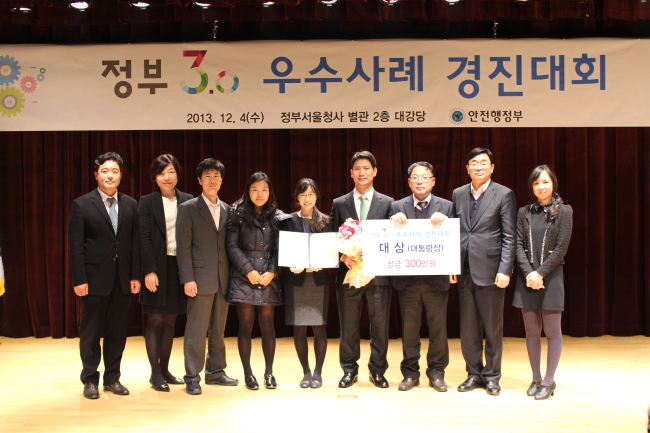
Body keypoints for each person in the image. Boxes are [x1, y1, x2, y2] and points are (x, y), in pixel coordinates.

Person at [69, 152, 142, 399]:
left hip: (122, 279)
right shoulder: (81, 204)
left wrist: (135, 276)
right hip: (92, 279)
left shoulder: (131, 204)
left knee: (117, 332)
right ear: (96, 175)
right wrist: (79, 279)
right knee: (90, 332)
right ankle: (90, 379)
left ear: (121, 175)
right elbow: (76, 246)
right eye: (105, 171)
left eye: (115, 171)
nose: (110, 175)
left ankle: (113, 378)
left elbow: (134, 244)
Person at [451, 147, 516, 396]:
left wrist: (505, 270)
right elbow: (456, 231)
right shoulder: (458, 194)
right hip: (465, 269)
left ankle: (492, 375)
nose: (478, 167)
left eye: (484, 163)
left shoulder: (504, 194)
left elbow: (510, 236)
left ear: (492, 168)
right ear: (467, 168)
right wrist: (452, 265)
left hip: (491, 271)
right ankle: (473, 373)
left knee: (492, 327)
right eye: (474, 163)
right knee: (468, 327)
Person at [330, 150, 394, 388]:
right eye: (357, 168)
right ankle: (349, 370)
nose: (362, 172)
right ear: (351, 173)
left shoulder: (389, 203)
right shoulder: (339, 203)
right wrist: (342, 254)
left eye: (366, 168)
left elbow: (392, 237)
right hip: (349, 273)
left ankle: (377, 370)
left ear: (375, 172)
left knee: (379, 324)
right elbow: (332, 235)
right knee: (348, 324)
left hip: (378, 275)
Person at [176, 158, 238, 395]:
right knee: (196, 330)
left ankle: (215, 372)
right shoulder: (188, 208)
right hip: (198, 279)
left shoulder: (228, 210)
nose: (212, 180)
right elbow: (184, 247)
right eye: (208, 176)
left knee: (218, 330)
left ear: (222, 180)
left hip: (222, 279)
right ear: (199, 180)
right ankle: (192, 375)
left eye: (217, 176)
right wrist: (187, 278)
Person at [389, 162, 453, 392]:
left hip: (436, 279)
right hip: (407, 280)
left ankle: (436, 373)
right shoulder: (396, 207)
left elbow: (456, 240)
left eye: (425, 177)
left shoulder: (447, 206)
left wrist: (445, 224)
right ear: (409, 182)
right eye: (415, 177)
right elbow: (387, 241)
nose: (420, 181)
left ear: (433, 181)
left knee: (438, 329)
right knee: (409, 329)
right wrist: (393, 224)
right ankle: (410, 373)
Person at [512, 165, 573, 400]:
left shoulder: (564, 211)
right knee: (531, 330)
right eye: (537, 183)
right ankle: (536, 378)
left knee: (552, 331)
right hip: (527, 278)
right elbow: (517, 245)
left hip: (551, 277)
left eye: (545, 182)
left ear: (553, 184)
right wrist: (529, 273)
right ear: (532, 187)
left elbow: (562, 248)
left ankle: (549, 381)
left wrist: (540, 274)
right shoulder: (524, 212)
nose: (541, 187)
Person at [226, 172, 287, 390]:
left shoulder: (278, 215)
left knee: (268, 325)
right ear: (247, 191)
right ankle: (248, 374)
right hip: (244, 277)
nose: (259, 194)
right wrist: (249, 271)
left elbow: (282, 248)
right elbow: (232, 246)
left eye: (264, 189)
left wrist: (273, 272)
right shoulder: (237, 213)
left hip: (268, 276)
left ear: (270, 191)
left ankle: (269, 373)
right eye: (254, 189)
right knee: (245, 325)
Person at [138, 154, 193, 392]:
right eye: (161, 173)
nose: (166, 177)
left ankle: (166, 369)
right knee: (155, 319)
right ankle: (155, 373)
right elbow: (145, 239)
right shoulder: (146, 202)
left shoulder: (188, 200)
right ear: (155, 177)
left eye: (170, 171)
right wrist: (149, 270)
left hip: (177, 267)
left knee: (171, 320)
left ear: (177, 174)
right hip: (156, 268)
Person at [280, 178, 331, 389]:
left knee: (319, 327)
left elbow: (333, 251)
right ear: (297, 198)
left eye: (311, 194)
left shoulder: (327, 221)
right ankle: (306, 372)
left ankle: (318, 373)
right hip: (296, 280)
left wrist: (323, 263)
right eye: (303, 195)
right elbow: (281, 250)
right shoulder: (288, 221)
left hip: (318, 281)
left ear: (317, 196)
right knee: (299, 328)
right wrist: (290, 264)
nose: (307, 199)